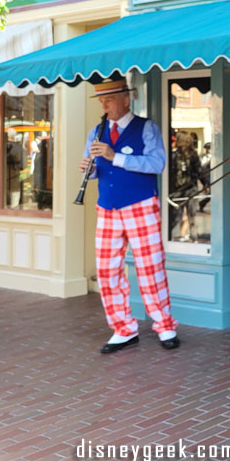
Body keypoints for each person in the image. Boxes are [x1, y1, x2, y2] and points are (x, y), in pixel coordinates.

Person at [78, 75, 180, 354]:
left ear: (126, 99)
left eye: (108, 100)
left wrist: (114, 156)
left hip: (141, 204)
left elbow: (157, 163)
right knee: (107, 270)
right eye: (101, 101)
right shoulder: (95, 132)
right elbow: (99, 169)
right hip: (107, 206)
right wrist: (90, 168)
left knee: (150, 267)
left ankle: (165, 325)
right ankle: (123, 328)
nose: (104, 106)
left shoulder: (147, 128)